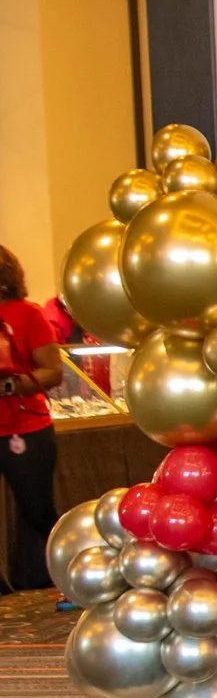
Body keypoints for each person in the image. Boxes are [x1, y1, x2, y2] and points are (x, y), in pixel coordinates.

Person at [0, 245, 66, 595]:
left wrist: (12, 384)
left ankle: (60, 571)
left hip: (26, 427)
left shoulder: (28, 315)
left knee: (37, 510)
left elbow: (52, 372)